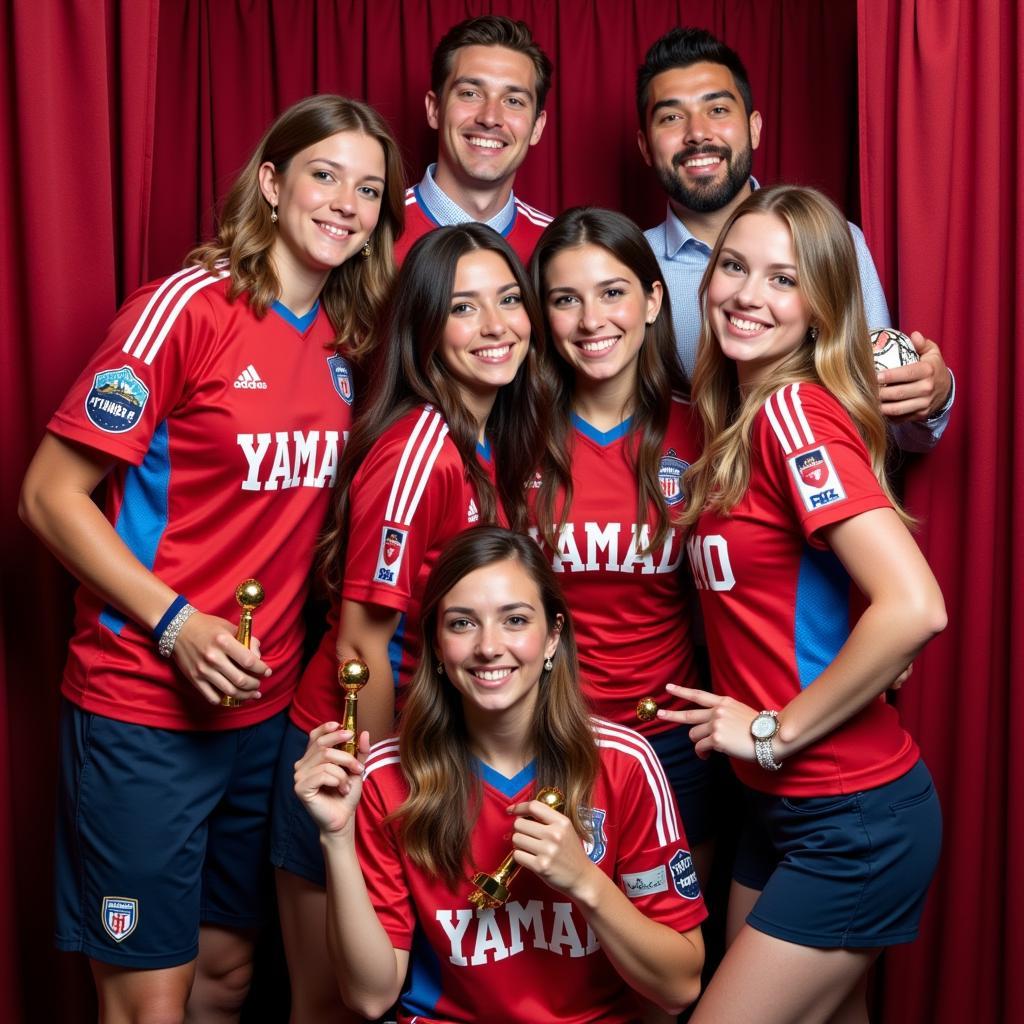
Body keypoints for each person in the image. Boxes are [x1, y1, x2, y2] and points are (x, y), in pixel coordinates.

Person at [18, 95, 404, 1022]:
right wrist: (175, 620)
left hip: (262, 719)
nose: (346, 203)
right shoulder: (185, 310)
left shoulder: (348, 340)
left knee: (227, 978)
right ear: (271, 183)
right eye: (324, 175)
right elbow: (46, 496)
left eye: (369, 188)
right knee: (150, 1001)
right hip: (143, 705)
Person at [661, 185, 944, 1024]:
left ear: (822, 307)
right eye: (734, 268)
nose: (748, 295)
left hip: (849, 812)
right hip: (778, 806)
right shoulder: (742, 416)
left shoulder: (791, 411)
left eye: (784, 281)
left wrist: (771, 729)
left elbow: (912, 605)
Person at [271, 224, 555, 1022]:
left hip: (423, 751)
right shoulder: (419, 449)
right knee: (333, 1004)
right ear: (424, 329)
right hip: (350, 758)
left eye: (508, 299)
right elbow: (363, 642)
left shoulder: (488, 436)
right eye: (465, 308)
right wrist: (395, 792)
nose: (497, 325)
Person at [294, 526, 707, 1023]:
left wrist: (584, 882)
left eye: (514, 620)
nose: (489, 647)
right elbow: (369, 996)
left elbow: (679, 986)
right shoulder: (385, 775)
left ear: (554, 636)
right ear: (438, 647)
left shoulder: (625, 761)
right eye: (463, 623)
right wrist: (336, 837)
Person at [636, 26, 954, 452]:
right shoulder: (627, 268)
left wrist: (930, 397)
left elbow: (887, 419)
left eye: (717, 110)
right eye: (672, 117)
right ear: (644, 146)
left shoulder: (833, 240)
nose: (697, 133)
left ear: (754, 128)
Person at [528, 208, 716, 885]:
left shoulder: (703, 434)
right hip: (541, 737)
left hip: (670, 740)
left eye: (612, 292)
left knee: (671, 955)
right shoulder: (511, 437)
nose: (591, 320)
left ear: (652, 300)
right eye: (565, 299)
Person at [395, 14, 554, 264]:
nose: (490, 118)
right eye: (470, 94)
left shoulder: (556, 246)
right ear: (434, 109)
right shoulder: (372, 230)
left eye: (513, 101)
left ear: (537, 127)